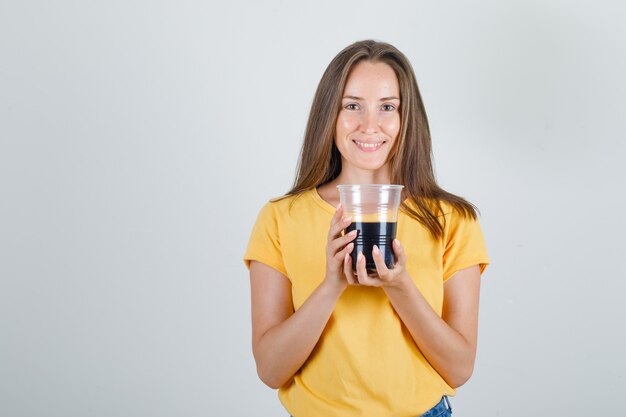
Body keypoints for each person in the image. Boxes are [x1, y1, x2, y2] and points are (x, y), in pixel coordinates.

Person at [243, 40, 489, 417]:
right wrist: (331, 285)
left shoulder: (452, 220)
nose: (369, 125)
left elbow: (459, 368)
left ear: (408, 119)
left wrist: (399, 285)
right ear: (330, 113)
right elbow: (271, 370)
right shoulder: (280, 218)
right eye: (352, 105)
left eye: (387, 107)